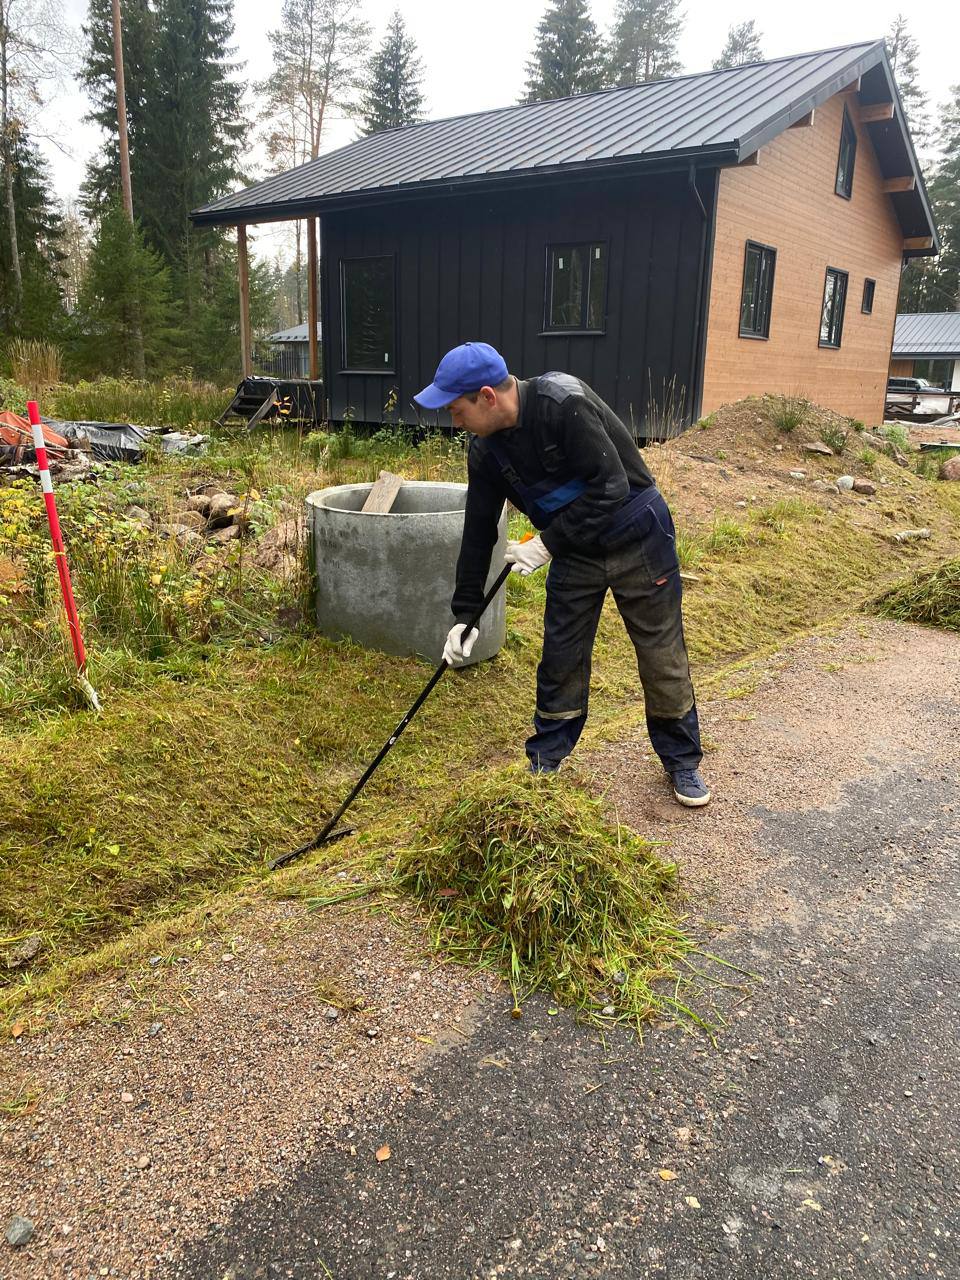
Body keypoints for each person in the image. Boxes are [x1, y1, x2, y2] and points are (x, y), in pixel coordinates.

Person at [414, 341, 710, 808]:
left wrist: (546, 544)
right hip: (575, 547)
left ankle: (681, 761)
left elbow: (611, 485)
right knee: (561, 655)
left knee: (660, 650)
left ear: (487, 397)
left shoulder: (562, 403)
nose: (454, 421)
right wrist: (465, 615)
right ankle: (546, 759)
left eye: (456, 410)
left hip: (637, 533)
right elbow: (477, 533)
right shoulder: (486, 452)